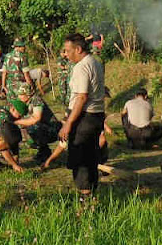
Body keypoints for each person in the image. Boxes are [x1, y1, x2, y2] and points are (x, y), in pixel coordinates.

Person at [59, 33, 106, 199]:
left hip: (84, 117)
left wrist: (68, 123)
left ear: (78, 49)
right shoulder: (95, 62)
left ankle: (85, 200)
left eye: (67, 50)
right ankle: (92, 196)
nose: (66, 54)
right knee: (91, 156)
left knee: (80, 159)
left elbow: (82, 97)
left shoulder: (81, 66)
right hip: (96, 116)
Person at [10, 83, 62, 164]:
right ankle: (43, 150)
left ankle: (44, 152)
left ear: (28, 95)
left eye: (21, 94)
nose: (19, 97)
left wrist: (16, 122)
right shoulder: (25, 103)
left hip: (53, 128)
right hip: (44, 128)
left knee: (33, 126)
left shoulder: (36, 100)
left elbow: (36, 118)